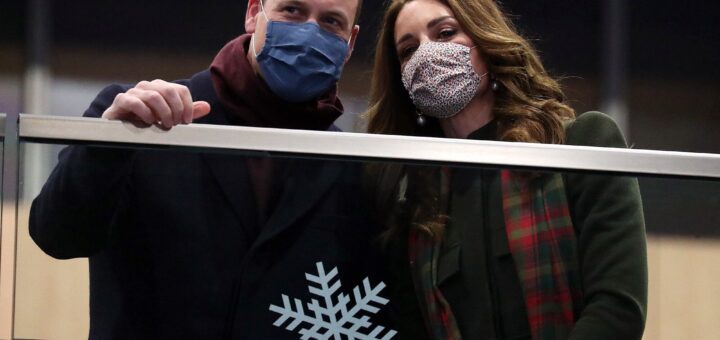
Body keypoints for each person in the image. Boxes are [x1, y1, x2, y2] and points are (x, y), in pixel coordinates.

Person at [29, 0, 393, 339]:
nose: (310, 32)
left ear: (349, 44)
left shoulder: (353, 166)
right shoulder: (140, 120)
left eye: (331, 21)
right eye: (292, 11)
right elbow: (58, 237)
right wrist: (107, 144)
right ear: (254, 13)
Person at [364, 0, 648, 339]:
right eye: (408, 50)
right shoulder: (416, 210)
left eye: (445, 32)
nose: (426, 54)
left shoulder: (579, 145)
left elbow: (617, 310)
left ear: (485, 38)